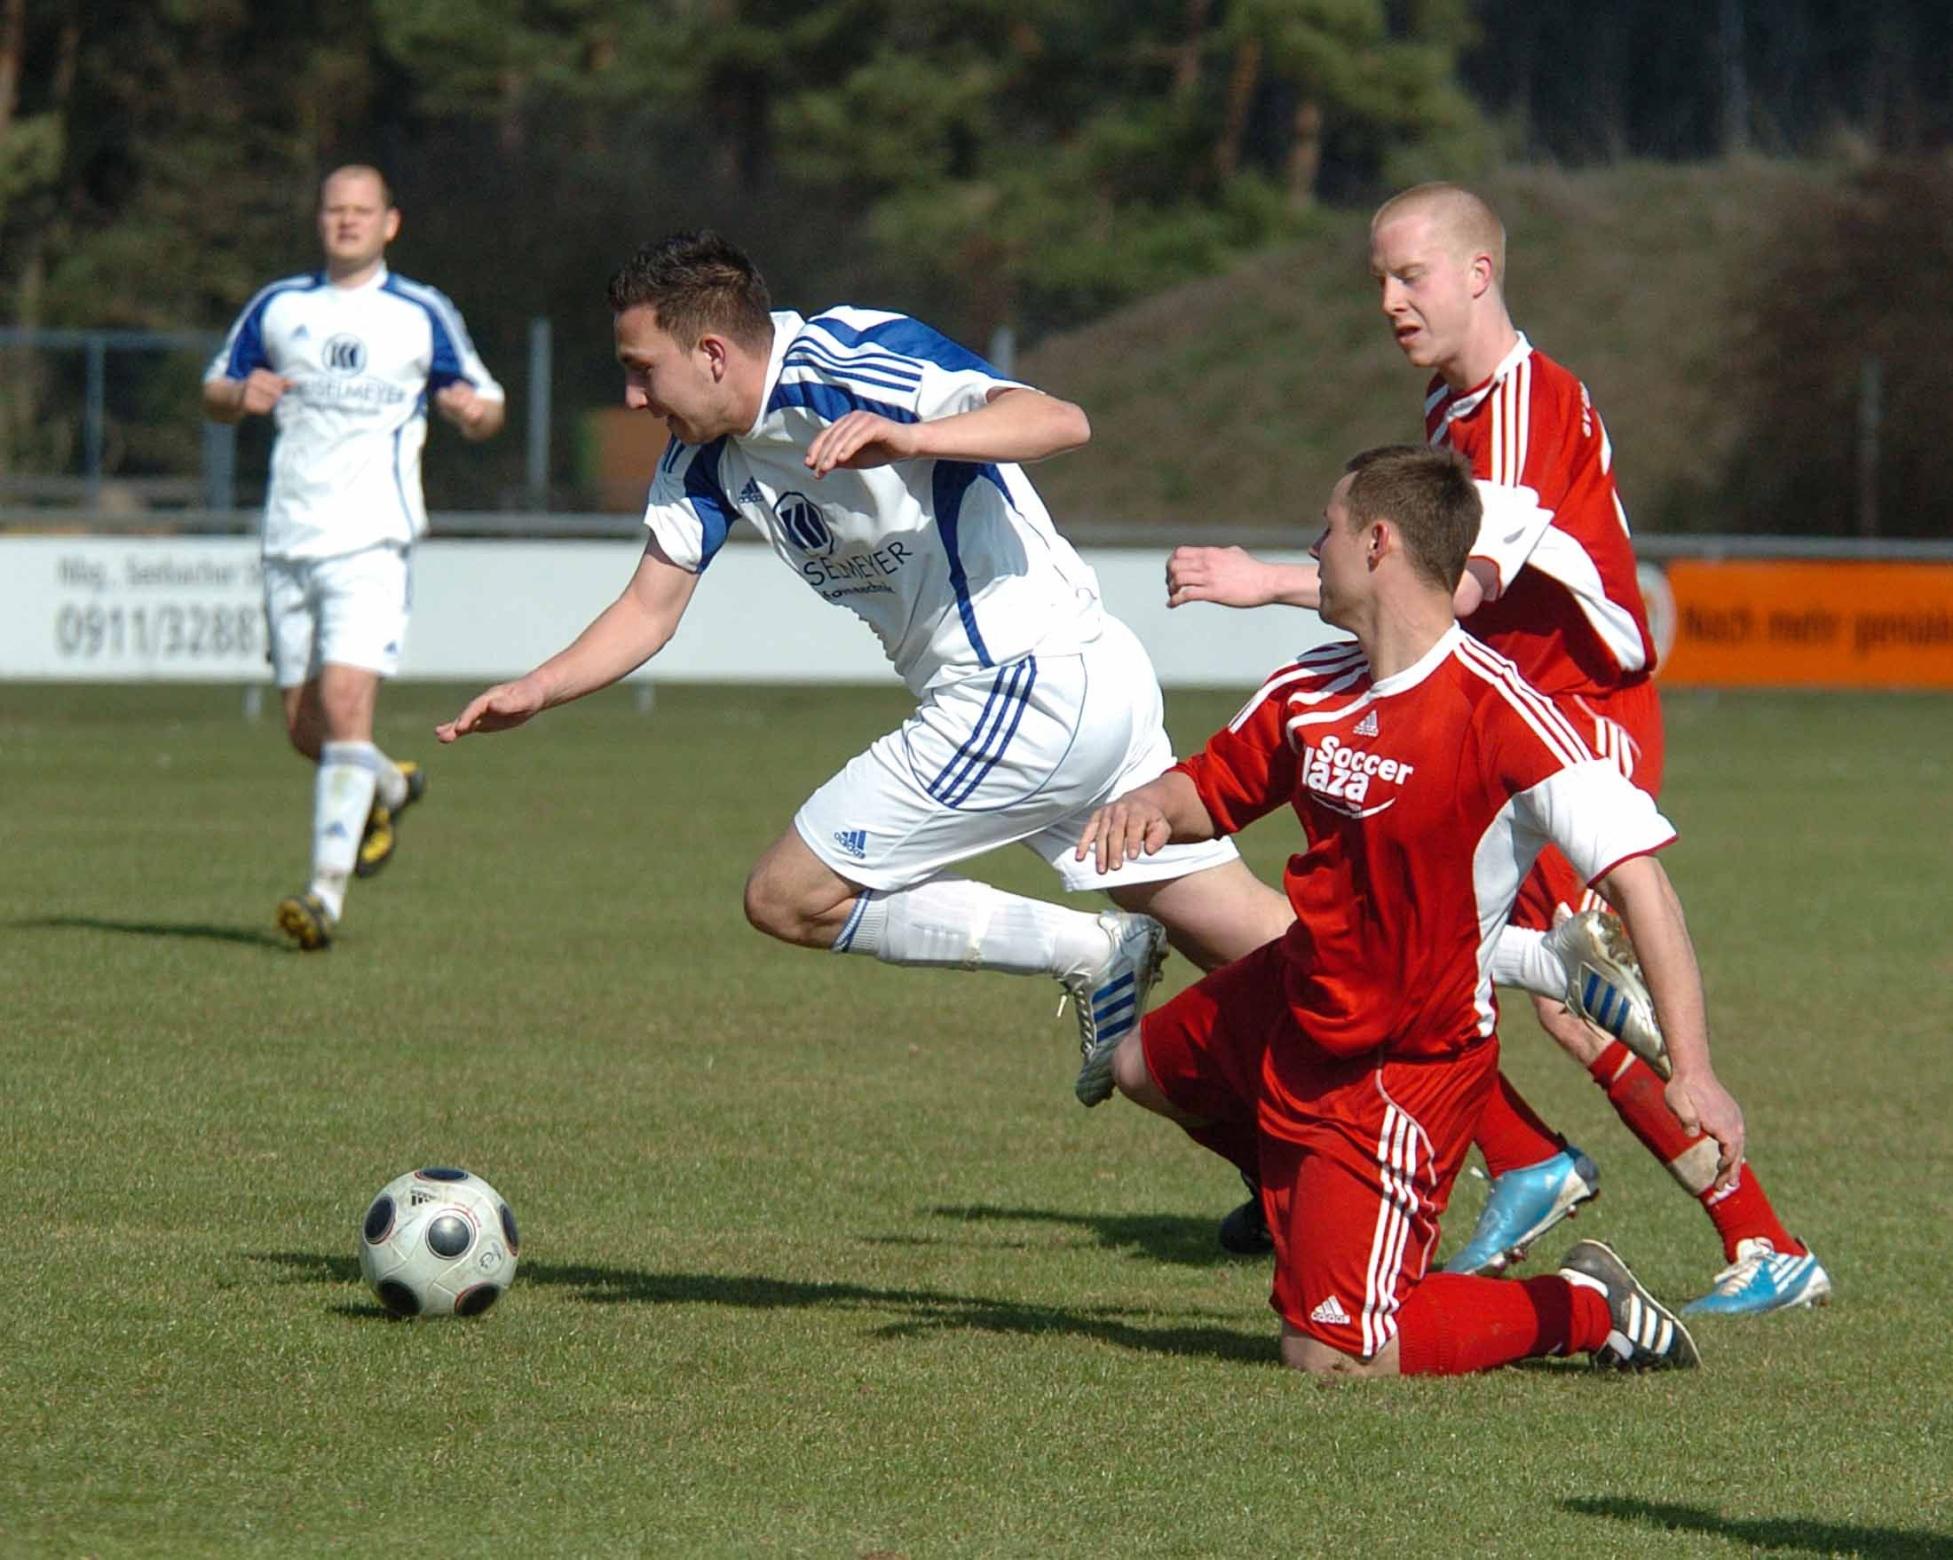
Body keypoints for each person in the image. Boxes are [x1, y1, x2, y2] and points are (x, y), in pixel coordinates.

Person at [1163, 183, 1829, 1316]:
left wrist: (1266, 582)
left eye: (1409, 275)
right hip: (1494, 714)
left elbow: (1445, 596)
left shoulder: (1523, 407)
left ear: (1479, 273)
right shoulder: (1451, 413)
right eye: (1377, 277)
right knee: (1437, 963)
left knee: (1559, 994)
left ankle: (1759, 1239)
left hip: (1573, 716)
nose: (1388, 300)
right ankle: (1529, 1161)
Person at [436, 231, 1294, 1086]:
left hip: (1024, 687)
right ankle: (1372, 1071)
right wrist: (538, 688)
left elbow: (1059, 421)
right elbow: (648, 609)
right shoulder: (702, 458)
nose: (630, 396)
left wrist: (911, 438)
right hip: (1070, 691)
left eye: (640, 368)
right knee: (1256, 943)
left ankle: (1095, 951)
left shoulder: (848, 357)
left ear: (709, 353)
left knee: (787, 896)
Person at [1080, 444, 1740, 1376]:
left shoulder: (1501, 713)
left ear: (1378, 542)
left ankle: (1583, 1307)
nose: (1313, 549)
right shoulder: (1311, 685)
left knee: (1336, 1357)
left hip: (1404, 1059)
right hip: (1295, 995)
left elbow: (1642, 881)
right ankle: (1313, 1213)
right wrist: (1152, 803)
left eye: (1327, 528)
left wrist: (1695, 1070)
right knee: (1141, 1064)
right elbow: (1212, 785)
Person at [203, 164, 505, 950]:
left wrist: (473, 414)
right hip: (288, 537)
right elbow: (214, 388)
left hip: (373, 536)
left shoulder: (419, 312)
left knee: (344, 706)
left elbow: (489, 399)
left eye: (361, 210)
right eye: (335, 209)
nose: (346, 221)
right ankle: (390, 781)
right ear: (320, 219)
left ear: (389, 223)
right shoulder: (280, 305)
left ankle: (323, 896)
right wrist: (241, 397)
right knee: (306, 730)